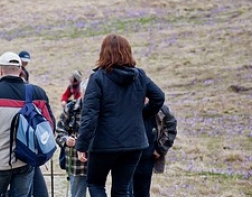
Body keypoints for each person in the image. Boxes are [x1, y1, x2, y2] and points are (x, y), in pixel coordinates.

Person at [76, 34, 165, 197]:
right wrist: (140, 115)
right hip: (134, 142)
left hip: (103, 143)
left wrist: (82, 145)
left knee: (95, 184)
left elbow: (89, 115)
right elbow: (159, 97)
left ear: (103, 53)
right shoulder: (140, 76)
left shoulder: (97, 78)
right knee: (121, 189)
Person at [0, 52, 55, 197]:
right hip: (26, 158)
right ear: (20, 70)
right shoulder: (37, 93)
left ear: (0, 70)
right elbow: (49, 126)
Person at [131, 100, 177, 197]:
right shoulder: (125, 103)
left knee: (142, 193)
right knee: (124, 192)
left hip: (147, 157)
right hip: (126, 158)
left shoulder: (159, 108)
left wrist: (161, 148)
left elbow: (171, 125)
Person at [56, 79, 89, 197]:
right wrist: (66, 140)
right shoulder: (71, 108)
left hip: (98, 161)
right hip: (76, 164)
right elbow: (59, 131)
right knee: (77, 194)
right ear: (82, 92)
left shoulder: (103, 109)